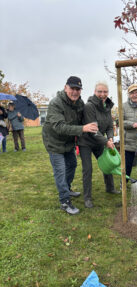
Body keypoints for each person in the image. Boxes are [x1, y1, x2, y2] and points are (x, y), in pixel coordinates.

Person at [42, 76, 98, 215]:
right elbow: (59, 127)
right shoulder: (56, 103)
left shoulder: (79, 103)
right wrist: (82, 129)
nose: (75, 92)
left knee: (72, 165)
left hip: (68, 142)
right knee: (60, 171)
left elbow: (83, 120)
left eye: (78, 89)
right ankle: (65, 201)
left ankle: (67, 189)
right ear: (66, 87)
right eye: (72, 88)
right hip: (54, 142)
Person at [78, 82, 120, 209]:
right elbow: (93, 129)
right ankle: (87, 198)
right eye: (100, 92)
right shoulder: (89, 106)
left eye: (105, 92)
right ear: (95, 92)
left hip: (99, 141)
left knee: (107, 163)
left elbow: (109, 126)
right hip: (85, 142)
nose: (102, 94)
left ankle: (110, 188)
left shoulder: (107, 106)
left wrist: (111, 138)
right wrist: (106, 141)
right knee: (88, 169)